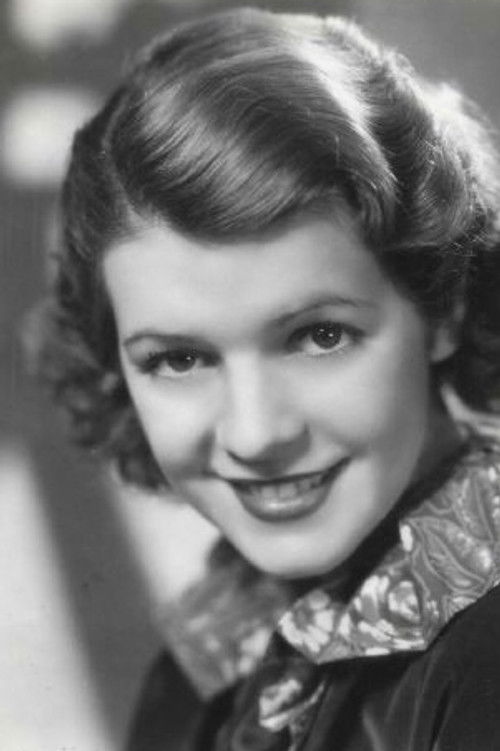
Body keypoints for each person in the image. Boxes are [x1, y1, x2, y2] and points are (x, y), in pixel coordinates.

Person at [35, 7, 500, 750]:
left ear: (443, 308)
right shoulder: (210, 659)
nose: (256, 434)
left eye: (320, 336)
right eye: (179, 358)